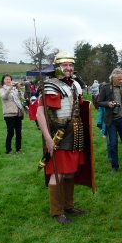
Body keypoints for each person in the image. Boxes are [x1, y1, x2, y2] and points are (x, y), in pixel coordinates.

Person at [36, 51, 90, 224]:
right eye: (65, 65)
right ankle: (57, 211)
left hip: (73, 133)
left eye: (71, 65)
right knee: (57, 173)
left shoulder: (73, 85)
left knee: (69, 173)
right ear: (58, 66)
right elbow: (40, 114)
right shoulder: (51, 86)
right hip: (58, 135)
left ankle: (68, 206)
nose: (68, 68)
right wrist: (48, 139)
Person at [97, 68, 122, 173]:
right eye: (119, 79)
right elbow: (99, 102)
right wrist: (107, 104)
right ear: (113, 78)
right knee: (113, 144)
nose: (121, 81)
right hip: (111, 121)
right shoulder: (105, 88)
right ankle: (115, 166)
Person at [0, 74, 25, 154]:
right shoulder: (1, 89)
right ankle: (8, 150)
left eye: (9, 79)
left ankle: (18, 149)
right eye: (6, 79)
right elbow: (4, 97)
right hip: (9, 114)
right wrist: (10, 88)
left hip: (17, 113)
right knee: (10, 132)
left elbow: (21, 98)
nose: (8, 80)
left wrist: (19, 89)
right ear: (3, 80)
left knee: (19, 133)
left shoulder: (15, 89)